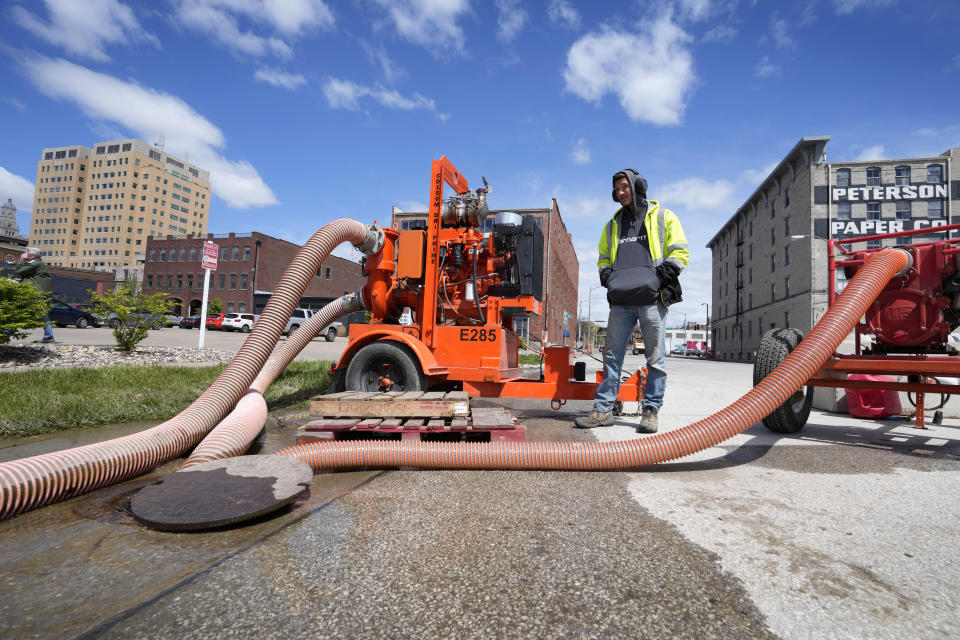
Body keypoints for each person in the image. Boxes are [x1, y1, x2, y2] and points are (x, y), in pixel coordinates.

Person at [574, 169, 689, 433]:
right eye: (617, 189)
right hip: (621, 301)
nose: (620, 192)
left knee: (655, 357)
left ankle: (650, 411)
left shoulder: (663, 216)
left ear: (637, 186)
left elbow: (680, 250)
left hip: (651, 298)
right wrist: (607, 275)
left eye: (624, 186)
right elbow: (604, 256)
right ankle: (603, 410)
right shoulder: (612, 224)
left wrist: (660, 276)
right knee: (611, 355)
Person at [14, 247, 55, 344]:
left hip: (36, 292)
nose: (24, 254)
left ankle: (4, 332)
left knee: (15, 309)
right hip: (38, 292)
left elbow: (19, 271)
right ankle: (49, 336)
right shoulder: (37, 264)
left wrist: (21, 260)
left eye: (26, 253)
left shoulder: (36, 264)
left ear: (32, 256)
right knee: (42, 314)